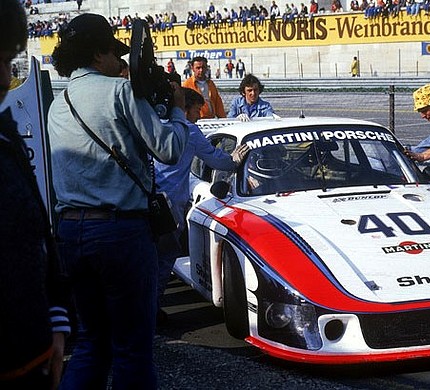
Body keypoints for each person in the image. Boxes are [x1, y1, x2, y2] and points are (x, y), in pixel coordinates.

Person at [47, 13, 189, 389]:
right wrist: (176, 109)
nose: (121, 62)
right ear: (98, 54)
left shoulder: (58, 105)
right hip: (120, 232)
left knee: (93, 344)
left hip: (71, 232)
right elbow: (170, 149)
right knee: (132, 349)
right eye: (115, 53)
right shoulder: (120, 92)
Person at [0, 1, 71, 388]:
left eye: (8, 60)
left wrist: (57, 319)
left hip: (34, 357)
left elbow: (37, 232)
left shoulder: (5, 132)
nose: (3, 76)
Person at [155, 89, 248, 322]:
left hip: (147, 200)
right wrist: (233, 160)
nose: (199, 114)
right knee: (165, 256)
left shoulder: (156, 126)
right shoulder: (190, 130)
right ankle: (152, 309)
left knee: (148, 257)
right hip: (171, 204)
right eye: (197, 109)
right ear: (184, 109)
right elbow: (217, 160)